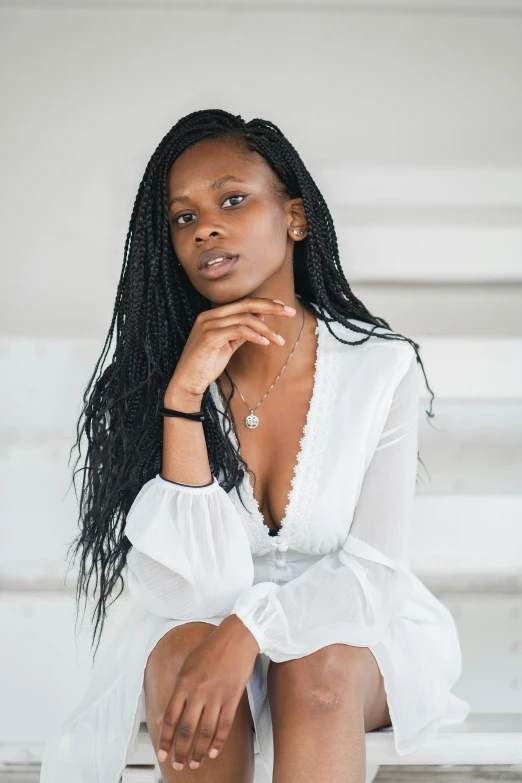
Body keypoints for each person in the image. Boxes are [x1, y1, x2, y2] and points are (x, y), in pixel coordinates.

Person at [40, 109, 470, 783]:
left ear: (294, 218)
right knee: (187, 651)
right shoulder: (160, 375)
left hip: (354, 632)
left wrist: (250, 630)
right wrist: (183, 396)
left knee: (314, 667)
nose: (205, 225)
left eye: (232, 199)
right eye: (182, 217)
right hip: (200, 634)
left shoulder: (380, 368)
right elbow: (194, 587)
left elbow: (373, 574)